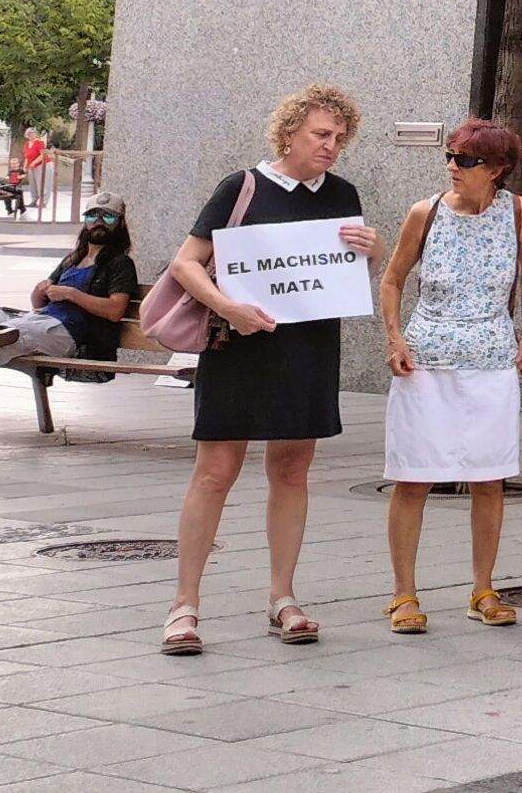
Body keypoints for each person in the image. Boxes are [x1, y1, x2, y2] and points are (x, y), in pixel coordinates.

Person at [159, 86, 385, 654]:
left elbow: (339, 273)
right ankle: (183, 606)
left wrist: (372, 249)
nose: (331, 147)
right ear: (289, 133)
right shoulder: (243, 186)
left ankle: (283, 598)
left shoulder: (342, 193)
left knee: (292, 471)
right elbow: (186, 262)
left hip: (306, 349)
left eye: (339, 138)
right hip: (236, 347)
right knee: (215, 471)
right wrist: (227, 306)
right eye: (320, 135)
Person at [377, 117, 522, 634]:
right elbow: (392, 280)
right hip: (426, 362)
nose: (453, 167)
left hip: (492, 361)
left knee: (489, 478)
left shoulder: (519, 211)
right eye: (450, 156)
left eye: (466, 160)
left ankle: (483, 590)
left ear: (496, 170)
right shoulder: (424, 213)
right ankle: (403, 594)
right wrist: (394, 338)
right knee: (414, 478)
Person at [0, 195, 140, 403]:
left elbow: (115, 310)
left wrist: (71, 294)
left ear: (120, 222)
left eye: (108, 217)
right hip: (39, 318)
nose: (99, 221)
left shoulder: (121, 264)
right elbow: (39, 304)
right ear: (85, 221)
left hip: (70, 333)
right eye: (93, 216)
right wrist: (40, 290)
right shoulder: (73, 259)